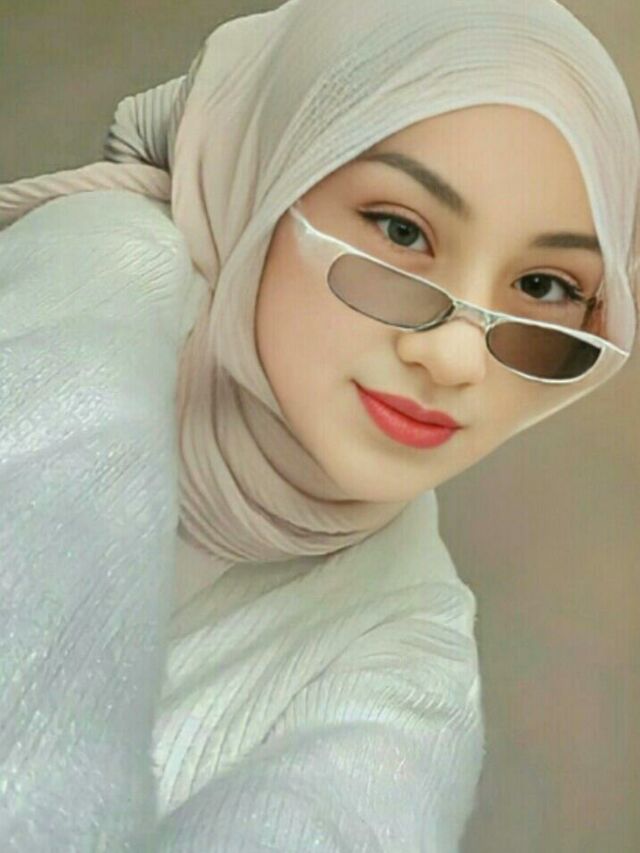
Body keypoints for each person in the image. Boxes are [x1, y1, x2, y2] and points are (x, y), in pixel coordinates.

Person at [0, 0, 638, 850]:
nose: (456, 357)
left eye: (543, 288)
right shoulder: (103, 267)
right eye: (402, 229)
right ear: (270, 169)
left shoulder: (415, 633)